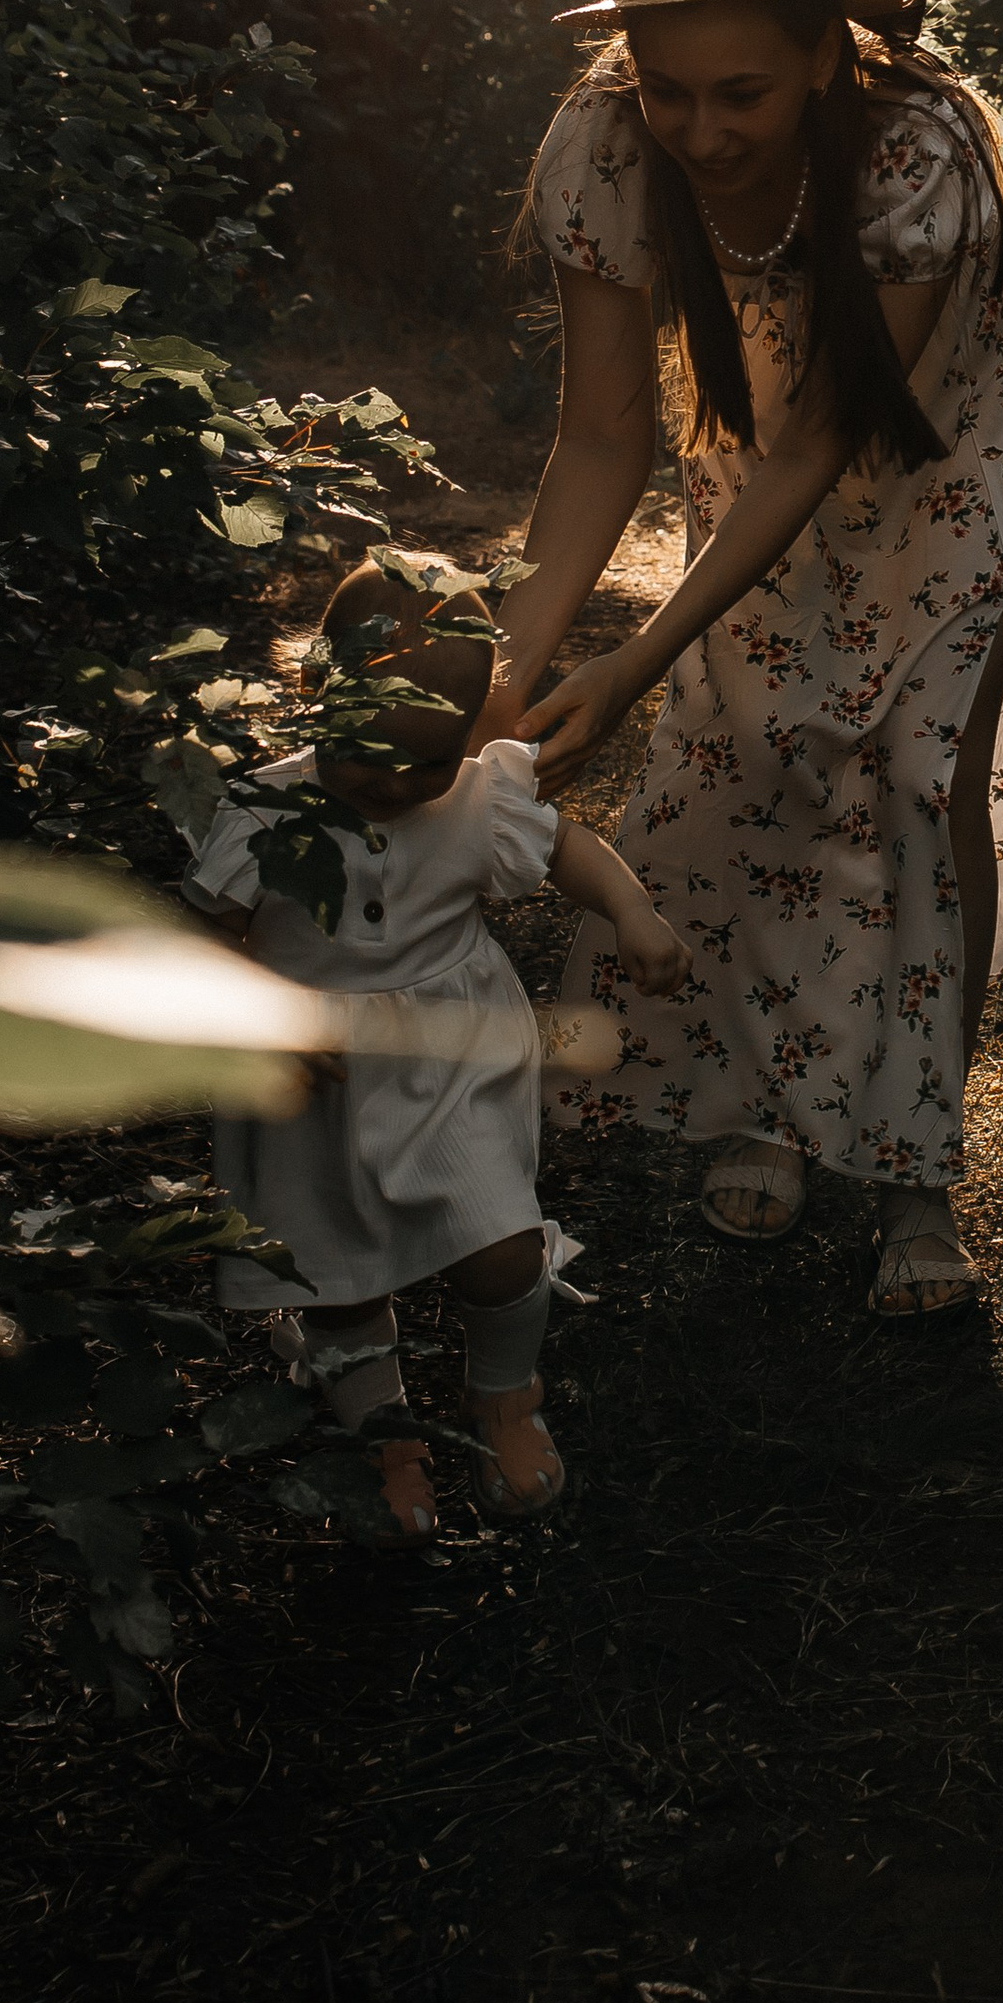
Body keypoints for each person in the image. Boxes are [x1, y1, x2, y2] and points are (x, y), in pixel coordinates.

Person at [488, 0, 1003, 1317]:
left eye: (744, 94)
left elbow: (832, 445)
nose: (700, 130)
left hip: (959, 418)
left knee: (916, 770)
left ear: (828, 61)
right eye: (670, 89)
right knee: (764, 738)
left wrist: (637, 655)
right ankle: (767, 1104)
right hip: (783, 403)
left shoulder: (917, 153)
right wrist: (506, 677)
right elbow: (601, 434)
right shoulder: (601, 142)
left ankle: (915, 1165)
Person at [182, 554, 689, 1539]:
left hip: (454, 1064)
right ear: (314, 689)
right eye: (367, 747)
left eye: (428, 754)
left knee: (500, 1249)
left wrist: (631, 907)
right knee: (338, 1279)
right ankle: (381, 1427)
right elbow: (201, 938)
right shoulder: (262, 815)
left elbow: (564, 846)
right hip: (315, 1085)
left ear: (469, 727)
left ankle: (503, 1397)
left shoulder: (472, 797)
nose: (394, 780)